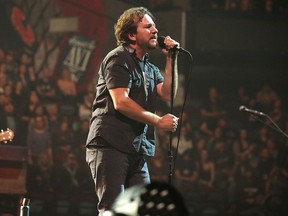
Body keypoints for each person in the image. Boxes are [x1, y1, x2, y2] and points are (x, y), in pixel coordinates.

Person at [85, 7, 180, 215]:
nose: (155, 30)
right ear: (131, 35)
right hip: (109, 144)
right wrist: (158, 121)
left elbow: (168, 94)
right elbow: (121, 102)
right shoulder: (118, 58)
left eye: (154, 26)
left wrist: (171, 58)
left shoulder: (148, 66)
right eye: (148, 26)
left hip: (136, 148)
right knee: (112, 209)